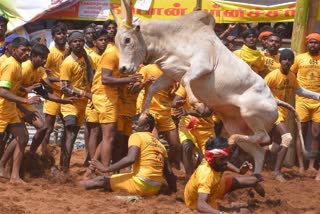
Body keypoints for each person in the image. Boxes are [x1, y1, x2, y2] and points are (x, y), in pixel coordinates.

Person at [79, 113, 177, 196]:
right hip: (155, 187)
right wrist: (173, 191)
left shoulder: (137, 136)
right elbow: (169, 172)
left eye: (136, 124)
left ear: (146, 127)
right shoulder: (160, 144)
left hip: (141, 184)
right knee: (123, 176)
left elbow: (130, 159)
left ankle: (74, 187)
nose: (133, 126)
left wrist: (106, 169)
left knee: (101, 180)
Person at [265, 49, 320, 182]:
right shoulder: (272, 76)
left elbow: (299, 91)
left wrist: (317, 96)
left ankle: (255, 150)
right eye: (284, 59)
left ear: (292, 62)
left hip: (283, 112)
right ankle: (277, 171)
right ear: (280, 61)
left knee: (275, 145)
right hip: (272, 111)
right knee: (287, 138)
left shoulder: (291, 77)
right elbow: (260, 92)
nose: (287, 62)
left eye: (290, 59)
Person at [16, 44, 75, 155]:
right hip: (12, 103)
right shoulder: (24, 68)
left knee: (43, 127)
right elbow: (10, 89)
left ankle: (31, 154)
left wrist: (63, 101)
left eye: (45, 58)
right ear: (33, 56)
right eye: (42, 58)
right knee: (20, 137)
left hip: (23, 102)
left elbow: (45, 92)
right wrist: (25, 108)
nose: (44, 61)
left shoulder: (40, 70)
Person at [184, 137, 265, 213]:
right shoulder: (206, 175)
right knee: (244, 212)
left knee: (255, 179)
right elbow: (200, 204)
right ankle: (231, 206)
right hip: (199, 201)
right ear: (213, 158)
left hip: (216, 186)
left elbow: (225, 162)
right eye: (222, 159)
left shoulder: (213, 161)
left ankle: (234, 204)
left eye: (226, 157)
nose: (225, 162)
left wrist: (240, 170)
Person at [0, 37, 41, 184]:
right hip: (2, 108)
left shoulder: (17, 65)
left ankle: (14, 176)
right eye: (23, 50)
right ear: (13, 49)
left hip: (9, 109)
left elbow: (13, 86)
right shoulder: (11, 65)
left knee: (23, 137)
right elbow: (3, 91)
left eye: (28, 51)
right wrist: (26, 100)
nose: (26, 53)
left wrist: (25, 89)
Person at [59, 31, 92, 173]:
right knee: (70, 131)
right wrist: (83, 93)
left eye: (80, 41)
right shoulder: (67, 63)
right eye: (74, 41)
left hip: (83, 104)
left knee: (71, 136)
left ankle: (63, 164)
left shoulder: (86, 58)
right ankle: (64, 167)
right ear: (70, 44)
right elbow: (64, 87)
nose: (78, 43)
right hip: (70, 103)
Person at [138, 64, 181, 169]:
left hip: (165, 113)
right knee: (155, 143)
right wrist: (145, 83)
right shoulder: (147, 69)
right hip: (150, 111)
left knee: (175, 146)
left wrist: (176, 99)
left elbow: (170, 96)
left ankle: (166, 166)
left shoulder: (172, 72)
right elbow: (134, 89)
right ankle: (150, 167)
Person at [291, 33, 320, 176]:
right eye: (311, 42)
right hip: (302, 101)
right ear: (307, 44)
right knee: (301, 133)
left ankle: (312, 165)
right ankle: (301, 165)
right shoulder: (300, 58)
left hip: (318, 102)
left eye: (316, 43)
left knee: (316, 134)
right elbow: (291, 74)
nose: (313, 45)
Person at [41, 22, 68, 156]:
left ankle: (64, 154)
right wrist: (59, 81)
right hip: (54, 93)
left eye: (64, 33)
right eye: (59, 33)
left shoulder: (70, 51)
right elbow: (44, 74)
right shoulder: (50, 53)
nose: (62, 36)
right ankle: (43, 153)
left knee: (68, 126)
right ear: (53, 37)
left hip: (67, 94)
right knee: (48, 127)